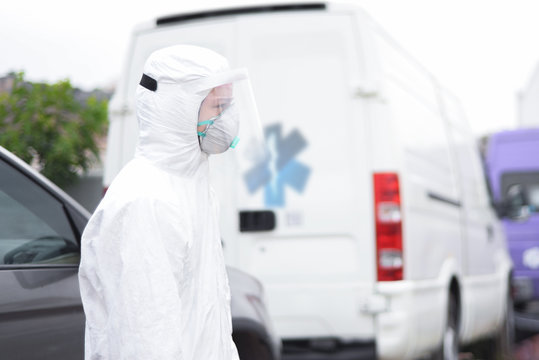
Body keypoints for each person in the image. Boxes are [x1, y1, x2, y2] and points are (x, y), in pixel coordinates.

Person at [78, 44, 261, 359]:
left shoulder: (190, 188)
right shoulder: (147, 202)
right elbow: (147, 341)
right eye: (218, 107)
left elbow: (209, 318)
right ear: (178, 107)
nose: (227, 121)